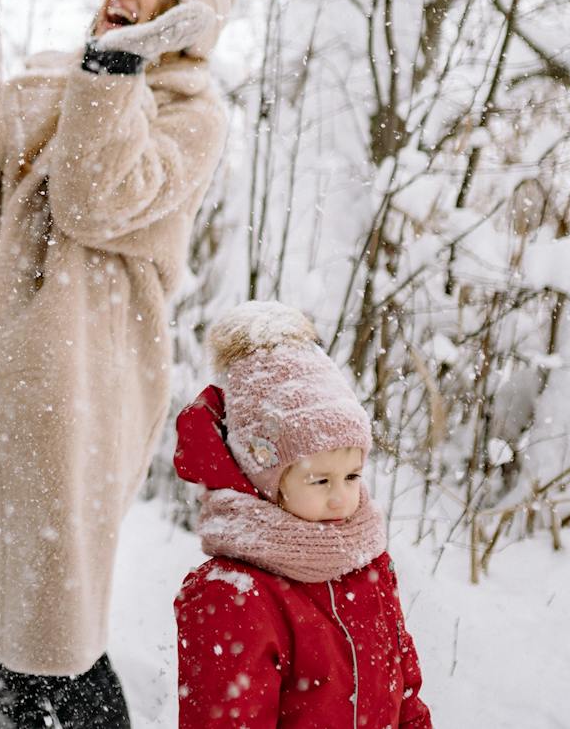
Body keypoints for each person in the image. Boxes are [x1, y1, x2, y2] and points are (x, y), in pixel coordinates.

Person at [0, 0, 234, 727]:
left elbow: (91, 201)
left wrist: (113, 79)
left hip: (71, 386)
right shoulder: (52, 71)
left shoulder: (190, 114)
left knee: (45, 626)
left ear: (190, 26)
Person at [172, 301, 433, 727]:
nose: (340, 499)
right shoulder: (234, 594)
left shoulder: (366, 565)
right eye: (320, 481)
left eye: (351, 476)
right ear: (265, 481)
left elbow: (405, 694)